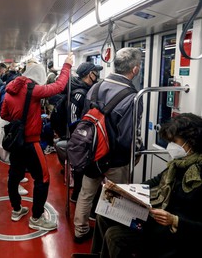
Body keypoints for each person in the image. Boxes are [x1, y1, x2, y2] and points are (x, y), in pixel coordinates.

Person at [90, 112, 202, 258]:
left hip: (174, 231)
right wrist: (126, 192)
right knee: (104, 214)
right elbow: (155, 181)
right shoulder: (176, 165)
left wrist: (174, 220)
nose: (170, 146)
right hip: (157, 218)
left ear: (191, 142)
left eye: (174, 141)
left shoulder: (198, 173)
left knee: (114, 236)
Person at [73, 47, 143, 244]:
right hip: (116, 157)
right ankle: (111, 234)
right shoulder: (132, 96)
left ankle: (80, 230)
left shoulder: (95, 87)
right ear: (135, 70)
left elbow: (85, 119)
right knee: (116, 196)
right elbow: (127, 137)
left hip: (91, 151)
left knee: (86, 193)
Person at [1, 52, 74, 230]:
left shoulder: (10, 89)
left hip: (16, 143)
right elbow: (57, 87)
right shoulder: (32, 89)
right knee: (43, 178)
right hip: (31, 142)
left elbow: (4, 114)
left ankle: (16, 209)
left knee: (14, 176)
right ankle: (37, 217)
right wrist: (67, 66)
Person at [54, 62, 103, 202]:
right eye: (95, 72)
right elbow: (73, 118)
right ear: (89, 74)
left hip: (81, 135)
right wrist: (81, 136)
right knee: (81, 167)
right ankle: (76, 195)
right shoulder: (79, 93)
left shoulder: (85, 89)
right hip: (79, 136)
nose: (97, 75)